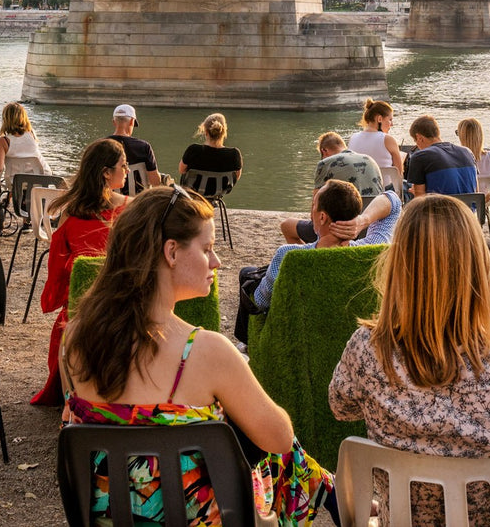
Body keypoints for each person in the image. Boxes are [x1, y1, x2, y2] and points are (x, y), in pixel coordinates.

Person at [61, 185, 334, 525]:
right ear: (171, 251)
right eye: (207, 249)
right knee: (278, 452)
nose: (216, 262)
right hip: (195, 518)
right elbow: (278, 438)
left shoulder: (75, 337)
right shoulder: (205, 351)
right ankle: (330, 491)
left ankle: (329, 489)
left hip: (109, 517)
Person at [329, 195, 490, 527]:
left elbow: (341, 408)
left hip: (405, 520)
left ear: (398, 264)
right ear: (478, 265)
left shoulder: (367, 348)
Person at [30, 139, 132, 405]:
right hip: (124, 305)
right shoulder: (129, 209)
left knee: (66, 317)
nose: (128, 170)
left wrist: (63, 301)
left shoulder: (70, 214)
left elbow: (58, 270)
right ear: (106, 173)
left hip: (80, 311)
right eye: (124, 165)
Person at [251, 179, 401, 322]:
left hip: (303, 331)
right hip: (350, 326)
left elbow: (261, 301)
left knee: (248, 275)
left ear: (322, 217)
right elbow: (393, 201)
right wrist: (363, 220)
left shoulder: (288, 255)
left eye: (314, 204)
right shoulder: (374, 251)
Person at [279, 132, 386, 243]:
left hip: (337, 230)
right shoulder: (370, 160)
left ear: (324, 151)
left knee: (287, 226)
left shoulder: (325, 163)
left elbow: (315, 210)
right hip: (369, 228)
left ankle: (309, 256)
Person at [405, 115, 478, 197]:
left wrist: (416, 192)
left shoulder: (420, 156)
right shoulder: (467, 152)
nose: (417, 146)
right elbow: (476, 192)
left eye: (415, 141)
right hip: (468, 209)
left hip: (439, 208)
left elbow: (420, 200)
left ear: (419, 137)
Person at [348, 98, 403, 192]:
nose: (392, 124)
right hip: (384, 192)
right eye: (390, 119)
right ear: (379, 119)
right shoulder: (387, 139)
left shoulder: (353, 138)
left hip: (359, 191)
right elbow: (399, 173)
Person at [106, 102, 161, 193]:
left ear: (114, 122)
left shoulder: (100, 145)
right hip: (138, 203)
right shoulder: (144, 147)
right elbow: (155, 182)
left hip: (109, 201)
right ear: (132, 121)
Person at [0, 102, 47, 182]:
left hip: (17, 182)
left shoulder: (3, 142)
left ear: (5, 119)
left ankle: (13, 193)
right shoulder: (32, 134)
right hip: (42, 178)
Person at [179, 112, 242, 181]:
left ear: (205, 132)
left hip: (192, 191)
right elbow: (236, 177)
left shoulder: (193, 150)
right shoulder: (234, 154)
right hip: (220, 192)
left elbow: (182, 170)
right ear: (224, 132)